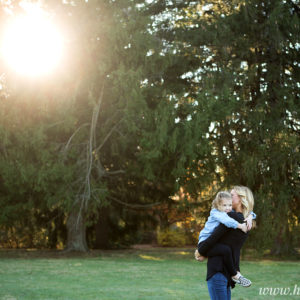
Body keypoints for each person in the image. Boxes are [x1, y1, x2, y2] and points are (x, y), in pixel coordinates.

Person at [197, 186, 256, 300]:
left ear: (240, 198)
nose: (229, 196)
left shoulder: (230, 217)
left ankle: (236, 275)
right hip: (228, 271)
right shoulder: (246, 221)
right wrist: (250, 215)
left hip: (218, 270)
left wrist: (200, 251)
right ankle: (236, 275)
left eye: (232, 194)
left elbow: (211, 240)